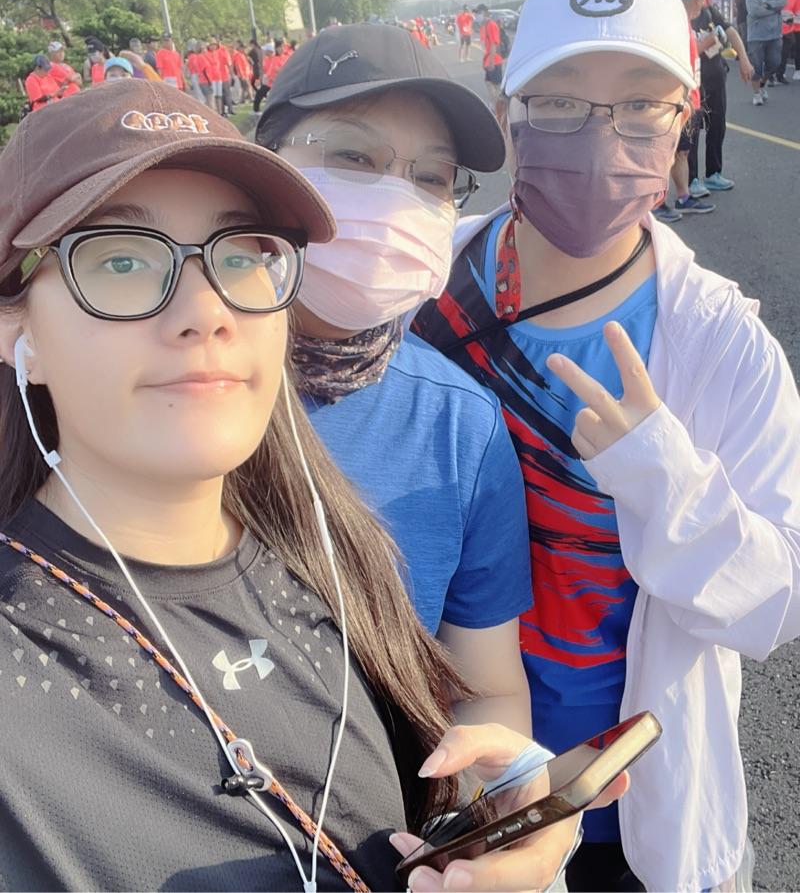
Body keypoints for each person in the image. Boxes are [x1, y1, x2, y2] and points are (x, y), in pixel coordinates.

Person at [0, 80, 622, 893]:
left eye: (241, 253)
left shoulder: (333, 553)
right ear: (16, 327)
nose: (207, 310)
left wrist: (494, 846)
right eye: (121, 258)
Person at [415, 0, 800, 893]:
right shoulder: (422, 290)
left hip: (637, 807)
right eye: (559, 103)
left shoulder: (721, 341)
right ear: (508, 114)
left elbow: (774, 604)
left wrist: (661, 474)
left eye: (638, 106)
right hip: (447, 791)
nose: (600, 139)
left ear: (682, 123)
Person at [255, 21, 536, 728]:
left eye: (431, 177)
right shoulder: (167, 382)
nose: (392, 200)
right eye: (353, 156)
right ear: (263, 165)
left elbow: (488, 692)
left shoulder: (460, 426)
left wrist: (498, 788)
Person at [682, 0, 754, 197]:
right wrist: (709, 40)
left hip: (716, 77)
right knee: (692, 132)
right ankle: (692, 180)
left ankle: (713, 173)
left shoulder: (710, 12)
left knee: (717, 126)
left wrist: (743, 59)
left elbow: (731, 32)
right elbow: (688, 50)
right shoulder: (681, 17)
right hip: (694, 82)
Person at [668, 0, 715, 218]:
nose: (704, 4)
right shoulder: (674, 23)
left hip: (691, 97)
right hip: (682, 98)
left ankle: (683, 197)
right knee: (671, 152)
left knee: (682, 151)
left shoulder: (684, 22)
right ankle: (656, 203)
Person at [746, 0, 787, 105]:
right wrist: (776, 9)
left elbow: (784, 1)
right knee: (756, 67)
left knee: (775, 63)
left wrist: (768, 4)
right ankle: (756, 94)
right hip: (756, 36)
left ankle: (762, 84)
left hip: (775, 35)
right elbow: (755, 12)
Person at [474, 4, 503, 105]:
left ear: (485, 13)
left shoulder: (491, 25)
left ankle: (499, 107)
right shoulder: (483, 26)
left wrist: (491, 62)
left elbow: (494, 44)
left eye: (478, 13)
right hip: (488, 60)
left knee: (497, 86)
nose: (476, 15)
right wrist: (484, 61)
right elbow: (486, 47)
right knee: (489, 83)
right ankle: (495, 104)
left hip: (494, 60)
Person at [776, 0, 798, 82]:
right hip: (776, 30)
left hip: (788, 30)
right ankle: (771, 75)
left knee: (784, 54)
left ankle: (780, 74)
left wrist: (793, 19)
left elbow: (795, 12)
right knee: (775, 55)